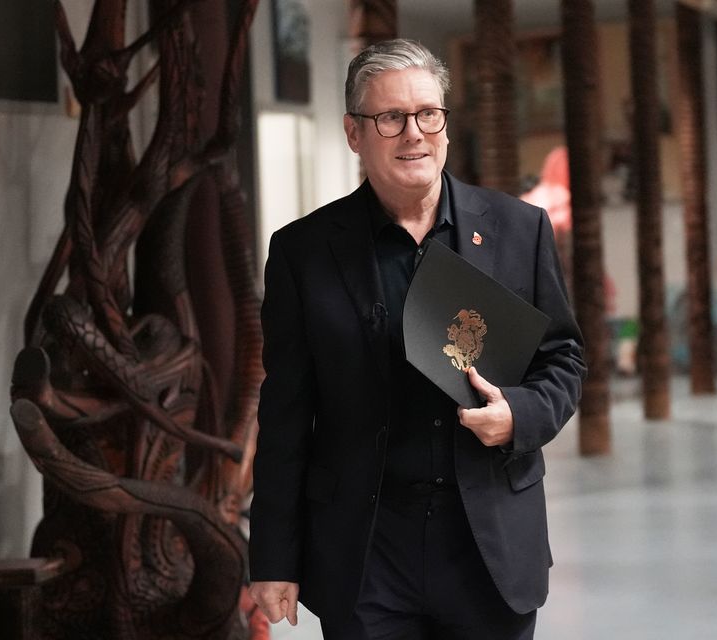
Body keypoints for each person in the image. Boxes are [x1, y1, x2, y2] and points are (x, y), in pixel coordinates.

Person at [249, 38, 585, 639]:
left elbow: (562, 359)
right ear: (354, 133)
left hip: (488, 547)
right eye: (391, 118)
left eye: (429, 114)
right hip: (367, 551)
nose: (415, 134)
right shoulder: (303, 253)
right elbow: (284, 417)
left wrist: (519, 417)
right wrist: (274, 558)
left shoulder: (518, 230)